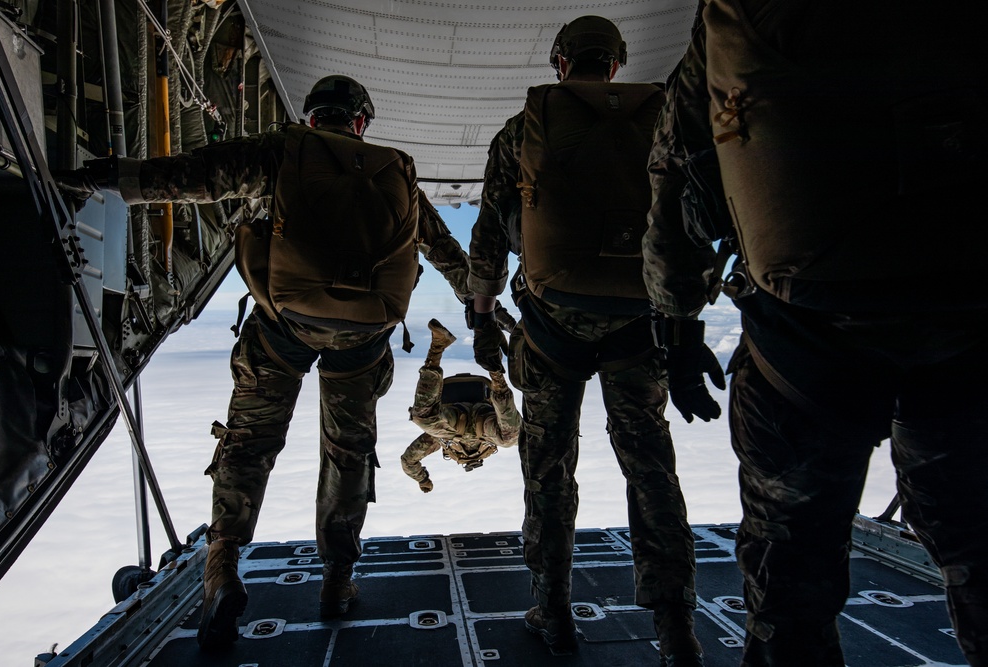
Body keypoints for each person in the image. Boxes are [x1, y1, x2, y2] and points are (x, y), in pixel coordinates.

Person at [57, 75, 474, 651]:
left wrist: (102, 177)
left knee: (249, 443)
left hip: (283, 328)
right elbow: (445, 250)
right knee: (348, 451)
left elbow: (192, 178)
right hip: (363, 338)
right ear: (360, 123)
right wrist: (479, 304)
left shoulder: (284, 150)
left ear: (311, 118)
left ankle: (223, 565)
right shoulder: (395, 170)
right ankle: (337, 579)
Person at [644, 2, 988, 665]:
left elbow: (683, 177)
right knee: (977, 543)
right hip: (966, 326)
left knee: (790, 576)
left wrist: (678, 320)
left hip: (805, 346)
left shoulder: (732, 17)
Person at [468, 15, 720, 665]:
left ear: (560, 62)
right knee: (651, 468)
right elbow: (693, 216)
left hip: (554, 329)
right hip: (643, 325)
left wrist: (480, 305)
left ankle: (552, 608)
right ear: (614, 64)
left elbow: (493, 231)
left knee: (549, 469)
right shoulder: (662, 120)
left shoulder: (523, 128)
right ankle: (675, 624)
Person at [400, 319, 520, 492]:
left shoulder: (439, 439)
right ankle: (494, 368)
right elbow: (408, 462)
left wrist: (423, 480)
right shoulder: (489, 439)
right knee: (511, 438)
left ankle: (437, 347)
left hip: (454, 422)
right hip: (484, 420)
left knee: (422, 418)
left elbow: (408, 461)